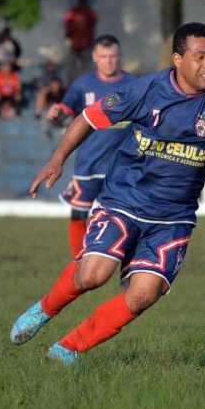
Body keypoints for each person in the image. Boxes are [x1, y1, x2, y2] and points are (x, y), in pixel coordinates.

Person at [10, 22, 205, 366]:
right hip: (124, 200)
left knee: (144, 294)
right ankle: (45, 309)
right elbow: (89, 118)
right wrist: (57, 159)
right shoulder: (147, 89)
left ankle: (68, 349)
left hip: (173, 218)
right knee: (92, 275)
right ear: (178, 59)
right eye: (200, 56)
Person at [46, 34, 136, 256]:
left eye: (113, 56)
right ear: (95, 57)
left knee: (126, 217)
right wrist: (56, 114)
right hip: (88, 164)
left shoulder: (134, 85)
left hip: (122, 168)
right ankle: (79, 262)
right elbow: (65, 114)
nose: (109, 61)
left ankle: (127, 264)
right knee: (79, 213)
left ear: (119, 56)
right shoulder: (83, 84)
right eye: (104, 56)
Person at [63, 0, 98, 83]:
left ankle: (84, 79)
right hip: (76, 41)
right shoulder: (74, 11)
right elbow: (67, 22)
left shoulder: (88, 12)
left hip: (84, 42)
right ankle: (72, 79)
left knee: (84, 61)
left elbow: (93, 23)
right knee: (74, 61)